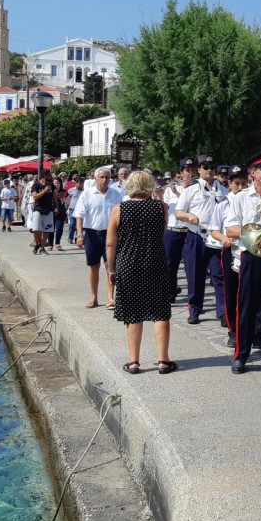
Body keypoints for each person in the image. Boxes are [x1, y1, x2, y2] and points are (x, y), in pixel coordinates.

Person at [105, 171, 175, 374]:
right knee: (160, 311)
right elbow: (161, 232)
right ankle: (163, 361)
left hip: (128, 263)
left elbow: (110, 244)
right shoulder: (161, 207)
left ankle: (134, 361)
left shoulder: (119, 209)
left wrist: (111, 269)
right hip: (155, 262)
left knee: (133, 312)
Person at [224, 152, 261, 378]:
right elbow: (230, 229)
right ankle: (241, 354)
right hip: (251, 256)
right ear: (252, 173)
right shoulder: (241, 198)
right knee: (247, 308)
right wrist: (256, 234)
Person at [174, 153, 229, 325]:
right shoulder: (190, 189)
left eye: (212, 167)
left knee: (219, 276)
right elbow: (178, 213)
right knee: (195, 275)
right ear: (199, 170)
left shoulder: (224, 190)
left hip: (216, 237)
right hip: (196, 236)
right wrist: (189, 216)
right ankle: (195, 310)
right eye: (205, 167)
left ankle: (223, 313)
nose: (209, 170)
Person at [73, 167, 124, 309]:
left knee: (110, 266)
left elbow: (121, 215)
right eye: (101, 177)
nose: (104, 180)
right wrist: (79, 234)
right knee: (94, 266)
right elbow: (79, 216)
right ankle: (94, 297)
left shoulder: (115, 194)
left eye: (107, 177)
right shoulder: (87, 194)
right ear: (96, 178)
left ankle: (110, 298)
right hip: (92, 234)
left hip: (110, 234)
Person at [209, 165, 248, 348]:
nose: (240, 187)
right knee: (231, 292)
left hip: (250, 251)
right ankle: (233, 331)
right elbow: (213, 229)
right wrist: (224, 239)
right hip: (231, 250)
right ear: (230, 184)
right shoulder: (223, 203)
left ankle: (257, 331)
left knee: (253, 293)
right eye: (237, 183)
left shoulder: (251, 200)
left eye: (244, 183)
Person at [162, 158, 192, 303]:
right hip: (173, 230)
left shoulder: (197, 188)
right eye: (187, 171)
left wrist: (178, 193)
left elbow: (190, 205)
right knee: (170, 264)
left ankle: (193, 297)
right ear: (181, 173)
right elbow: (165, 207)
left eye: (192, 171)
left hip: (189, 231)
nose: (190, 174)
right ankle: (170, 291)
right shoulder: (170, 189)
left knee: (191, 266)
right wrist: (160, 194)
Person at [30, 174, 56, 255]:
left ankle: (42, 248)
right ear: (43, 178)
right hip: (38, 209)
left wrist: (56, 206)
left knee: (46, 230)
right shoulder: (36, 185)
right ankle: (37, 244)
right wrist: (44, 191)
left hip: (48, 210)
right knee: (35, 229)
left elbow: (54, 196)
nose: (49, 181)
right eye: (48, 179)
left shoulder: (51, 185)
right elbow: (35, 197)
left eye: (50, 179)